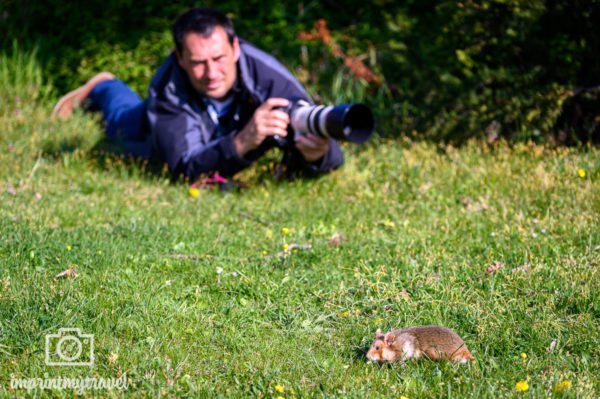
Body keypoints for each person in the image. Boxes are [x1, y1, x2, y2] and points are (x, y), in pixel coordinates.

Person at [52, 7, 344, 182]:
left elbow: (325, 140)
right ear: (180, 58)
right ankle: (103, 86)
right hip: (153, 123)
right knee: (121, 120)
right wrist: (243, 140)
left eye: (219, 59)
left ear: (236, 48)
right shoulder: (169, 91)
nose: (211, 72)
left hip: (218, 132)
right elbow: (182, 168)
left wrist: (318, 154)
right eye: (198, 63)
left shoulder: (267, 75)